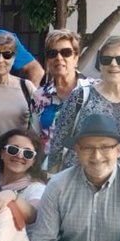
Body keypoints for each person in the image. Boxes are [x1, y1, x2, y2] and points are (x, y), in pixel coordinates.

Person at [47, 36, 120, 177]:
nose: (113, 64)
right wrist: (52, 180)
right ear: (100, 64)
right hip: (81, 184)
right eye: (106, 60)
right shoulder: (80, 96)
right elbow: (59, 142)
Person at [30, 29, 93, 160]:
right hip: (49, 170)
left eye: (66, 52)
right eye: (52, 53)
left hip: (87, 168)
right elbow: (34, 138)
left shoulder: (96, 91)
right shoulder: (39, 96)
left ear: (76, 57)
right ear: (47, 60)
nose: (59, 58)